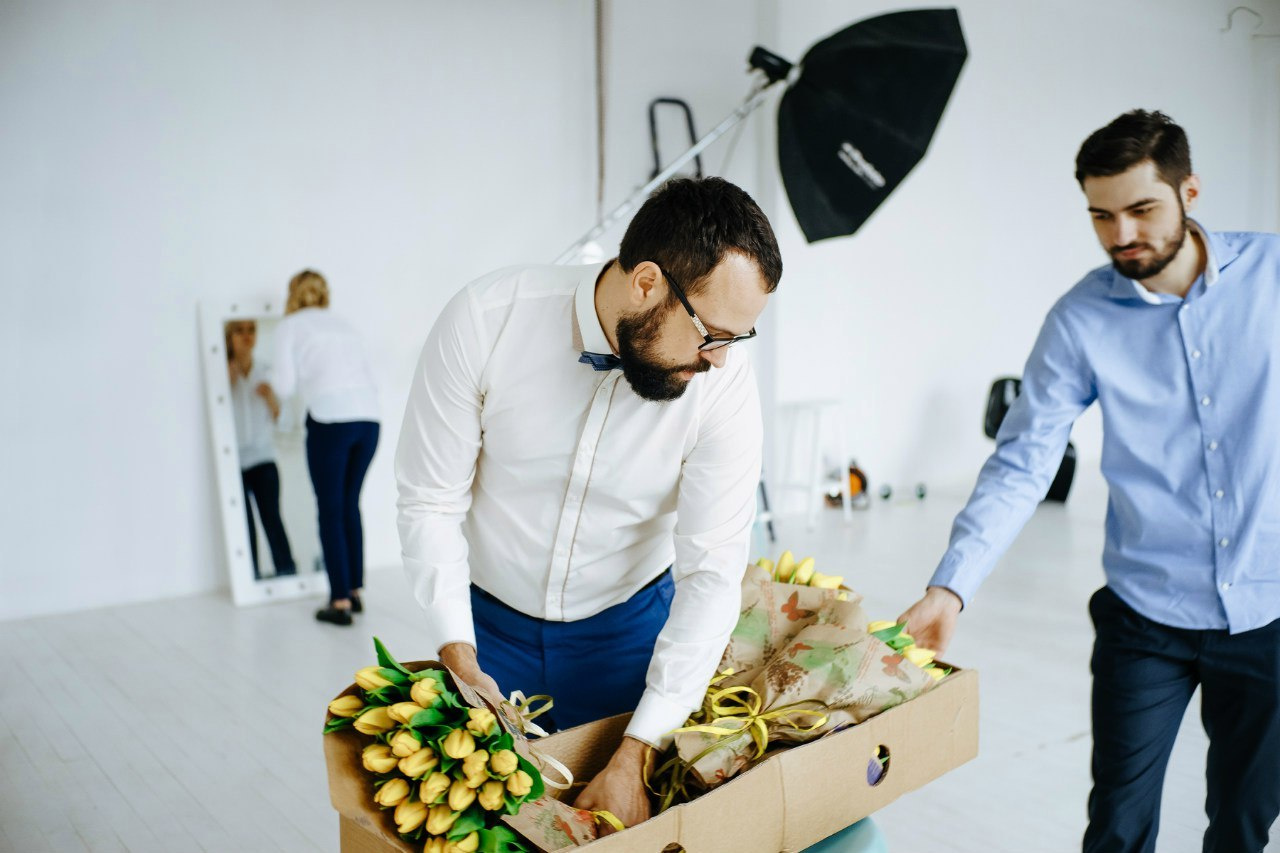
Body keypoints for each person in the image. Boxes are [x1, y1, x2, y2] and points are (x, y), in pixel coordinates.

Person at [396, 177, 885, 851]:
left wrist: (639, 748)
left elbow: (712, 571)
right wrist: (457, 651)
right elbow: (430, 499)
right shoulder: (486, 320)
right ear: (647, 283)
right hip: (488, 631)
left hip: (630, 634)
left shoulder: (725, 387)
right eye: (712, 334)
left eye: (737, 339)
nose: (719, 360)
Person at [898, 110, 1280, 853]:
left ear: (1190, 192)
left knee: (1244, 825)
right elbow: (1023, 459)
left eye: (1141, 209)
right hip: (1146, 616)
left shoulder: (1271, 278)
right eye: (1101, 216)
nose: (1121, 235)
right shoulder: (1080, 319)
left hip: (1268, 610)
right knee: (1116, 828)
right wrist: (951, 587)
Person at [271, 270, 380, 626]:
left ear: (293, 294)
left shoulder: (290, 326)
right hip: (369, 420)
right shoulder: (345, 325)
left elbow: (283, 386)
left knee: (330, 509)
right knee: (350, 504)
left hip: (330, 419)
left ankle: (339, 601)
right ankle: (355, 591)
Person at [225, 319, 296, 579]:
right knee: (243, 525)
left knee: (272, 519)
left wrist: (271, 399)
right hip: (232, 463)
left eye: (251, 330)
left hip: (264, 459)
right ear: (229, 337)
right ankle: (249, 578)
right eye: (239, 330)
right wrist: (226, 385)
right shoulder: (221, 377)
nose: (247, 336)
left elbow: (286, 424)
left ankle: (287, 572)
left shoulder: (268, 373)